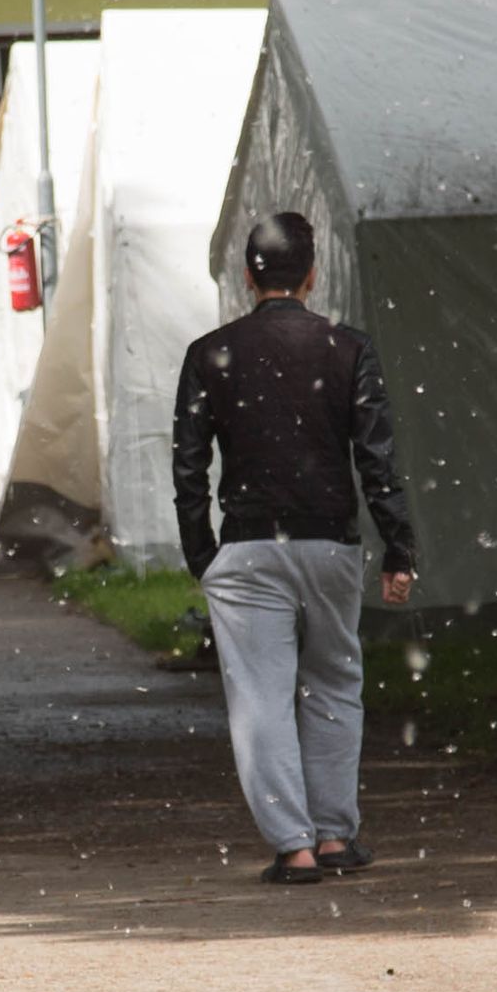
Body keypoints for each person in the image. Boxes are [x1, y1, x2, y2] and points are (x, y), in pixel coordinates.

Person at [172, 210, 418, 886]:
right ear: (313, 273)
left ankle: (294, 845)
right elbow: (377, 459)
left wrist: (202, 554)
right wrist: (398, 548)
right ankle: (337, 834)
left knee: (261, 696)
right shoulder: (348, 348)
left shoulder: (209, 353)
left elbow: (188, 466)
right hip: (330, 542)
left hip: (247, 548)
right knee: (337, 685)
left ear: (249, 277)